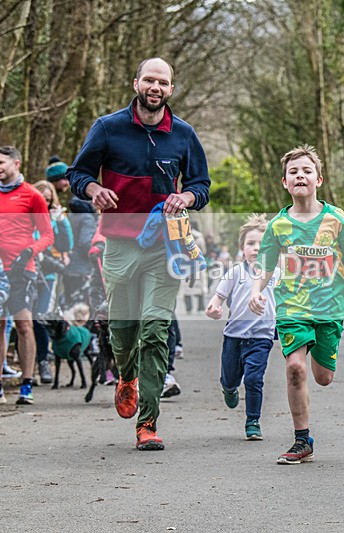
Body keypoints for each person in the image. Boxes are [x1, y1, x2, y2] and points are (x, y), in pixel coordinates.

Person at [67, 57, 211, 451]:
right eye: (149, 79)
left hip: (165, 245)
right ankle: (126, 376)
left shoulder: (183, 134)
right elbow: (77, 175)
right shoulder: (108, 128)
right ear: (136, 83)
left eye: (162, 82)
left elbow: (202, 184)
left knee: (154, 329)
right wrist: (93, 190)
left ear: (170, 90)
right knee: (123, 332)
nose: (155, 86)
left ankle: (147, 423)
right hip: (119, 243)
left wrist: (186, 195)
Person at [249, 144, 344, 464]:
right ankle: (301, 439)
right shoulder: (277, 225)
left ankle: (321, 365)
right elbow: (266, 265)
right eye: (293, 172)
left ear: (318, 179)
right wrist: (256, 290)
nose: (300, 176)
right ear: (285, 183)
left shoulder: (335, 218)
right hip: (292, 306)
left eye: (306, 170)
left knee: (323, 377)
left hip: (330, 307)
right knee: (295, 368)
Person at [207, 214, 278, 440]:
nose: (257, 248)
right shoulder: (235, 272)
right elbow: (217, 298)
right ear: (242, 248)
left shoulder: (276, 273)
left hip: (262, 336)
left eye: (262, 243)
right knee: (230, 378)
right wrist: (214, 309)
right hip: (233, 336)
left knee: (254, 379)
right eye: (251, 243)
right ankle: (228, 389)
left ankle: (253, 421)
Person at [0, 146, 55, 404]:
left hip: (22, 269)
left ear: (16, 164)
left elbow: (48, 235)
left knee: (23, 324)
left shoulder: (32, 195)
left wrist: (29, 251)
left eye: (1, 162)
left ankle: (26, 383)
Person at [32, 180, 74, 384]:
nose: (46, 204)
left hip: (48, 275)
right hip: (28, 271)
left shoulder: (54, 217)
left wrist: (60, 222)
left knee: (40, 318)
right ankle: (29, 364)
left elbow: (67, 244)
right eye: (43, 199)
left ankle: (42, 361)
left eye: (49, 201)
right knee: (24, 321)